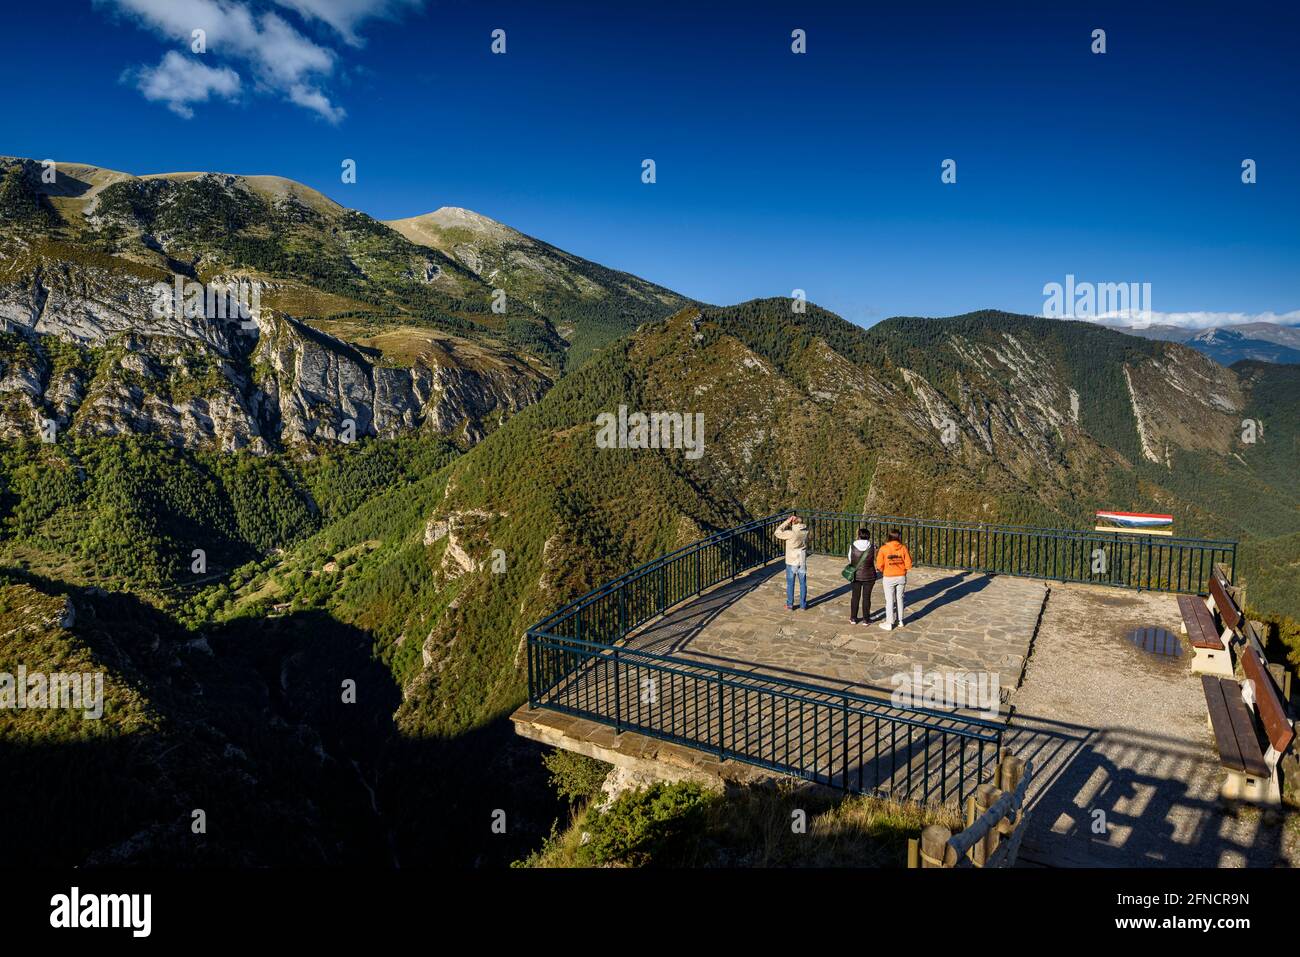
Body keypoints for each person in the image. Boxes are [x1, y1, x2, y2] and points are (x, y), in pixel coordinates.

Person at [874, 529, 913, 630]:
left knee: (890, 600)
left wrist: (884, 571)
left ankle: (889, 622)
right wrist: (903, 570)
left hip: (889, 576)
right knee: (900, 599)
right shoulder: (903, 548)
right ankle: (900, 620)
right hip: (901, 576)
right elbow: (908, 564)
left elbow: (879, 565)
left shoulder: (884, 549)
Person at [774, 513, 809, 611]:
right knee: (803, 583)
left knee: (790, 583)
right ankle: (803, 605)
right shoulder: (805, 531)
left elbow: (777, 532)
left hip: (792, 560)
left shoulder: (791, 533)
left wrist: (787, 521)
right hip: (802, 559)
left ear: (793, 522)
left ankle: (790, 605)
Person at [846, 527, 876, 625]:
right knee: (866, 597)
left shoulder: (852, 546)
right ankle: (866, 619)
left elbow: (850, 559)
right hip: (869, 575)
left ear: (859, 535)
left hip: (856, 575)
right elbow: (873, 559)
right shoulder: (872, 547)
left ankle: (853, 618)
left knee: (855, 597)